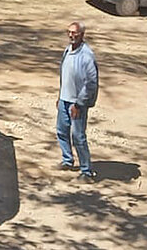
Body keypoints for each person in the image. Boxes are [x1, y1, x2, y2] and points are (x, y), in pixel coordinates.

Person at [56, 21, 98, 183]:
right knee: (61, 130)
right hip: (64, 100)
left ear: (82, 34)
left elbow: (91, 83)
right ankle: (67, 160)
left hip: (77, 104)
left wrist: (79, 104)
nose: (71, 35)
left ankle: (86, 171)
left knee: (78, 136)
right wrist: (60, 96)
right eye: (69, 32)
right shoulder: (68, 50)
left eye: (75, 33)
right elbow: (64, 75)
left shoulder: (86, 55)